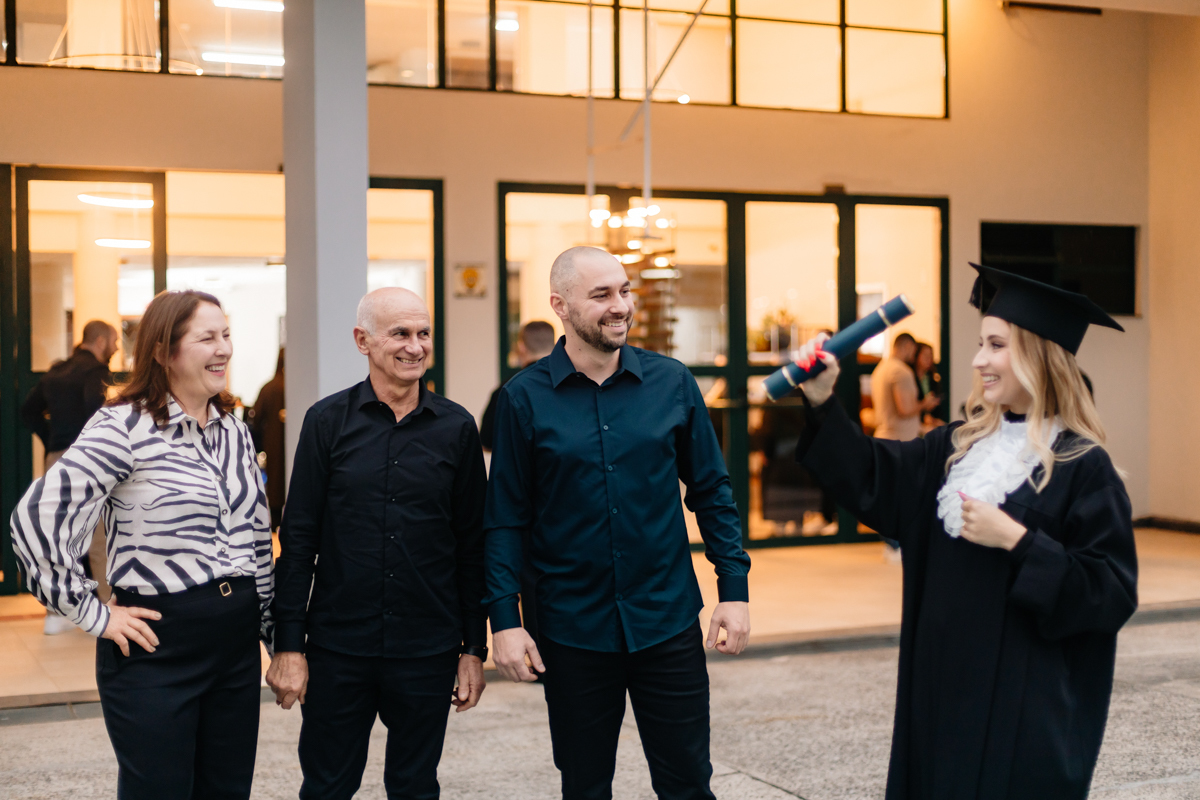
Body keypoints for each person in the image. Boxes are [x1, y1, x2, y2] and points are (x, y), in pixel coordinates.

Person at [792, 263, 1137, 799]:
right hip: (943, 690)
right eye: (981, 345)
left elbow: (1108, 593)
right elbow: (869, 475)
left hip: (1022, 708)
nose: (979, 361)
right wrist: (821, 398)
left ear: (1039, 356)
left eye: (996, 346)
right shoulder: (954, 448)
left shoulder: (1082, 466)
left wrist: (1018, 541)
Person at [485, 246, 751, 800]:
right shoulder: (522, 399)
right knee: (585, 786)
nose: (620, 306)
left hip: (666, 620)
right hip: (571, 630)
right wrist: (505, 621)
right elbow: (506, 519)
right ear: (560, 305)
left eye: (625, 291)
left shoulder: (672, 383)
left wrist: (734, 589)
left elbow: (711, 491)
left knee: (688, 784)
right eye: (602, 294)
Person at [10, 290, 274, 799]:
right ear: (162, 351)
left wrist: (275, 637)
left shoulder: (235, 431)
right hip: (157, 646)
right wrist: (92, 613)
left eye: (226, 335)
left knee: (227, 791)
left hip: (235, 646)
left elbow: (256, 538)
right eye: (207, 338)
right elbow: (36, 518)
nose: (224, 348)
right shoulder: (123, 425)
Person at [267, 287, 488, 800]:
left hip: (427, 647)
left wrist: (473, 648)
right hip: (338, 647)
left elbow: (471, 545)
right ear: (362, 341)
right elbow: (297, 541)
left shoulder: (457, 427)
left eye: (423, 333)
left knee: (415, 787)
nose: (416, 346)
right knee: (326, 787)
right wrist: (288, 646)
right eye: (400, 334)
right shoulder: (326, 422)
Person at [20, 319, 120, 634]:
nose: (117, 348)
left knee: (57, 536)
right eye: (114, 341)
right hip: (88, 459)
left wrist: (52, 439)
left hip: (57, 460)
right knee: (100, 537)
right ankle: (108, 609)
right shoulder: (95, 372)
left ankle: (54, 613)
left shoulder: (56, 372)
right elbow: (94, 408)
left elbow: (28, 411)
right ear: (101, 342)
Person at [480, 320, 556, 452]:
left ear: (521, 347)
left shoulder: (508, 387)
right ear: (555, 346)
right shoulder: (573, 383)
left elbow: (486, 441)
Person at [870, 332, 940, 442]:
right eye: (914, 350)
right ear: (908, 346)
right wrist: (925, 404)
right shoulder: (901, 371)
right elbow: (905, 410)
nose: (913, 355)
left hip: (884, 437)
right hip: (900, 440)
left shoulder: (880, 369)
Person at [248, 347, 286, 530]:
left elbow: (255, 418)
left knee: (275, 483)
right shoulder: (295, 386)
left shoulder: (269, 388)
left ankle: (275, 522)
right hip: (287, 443)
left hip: (272, 443)